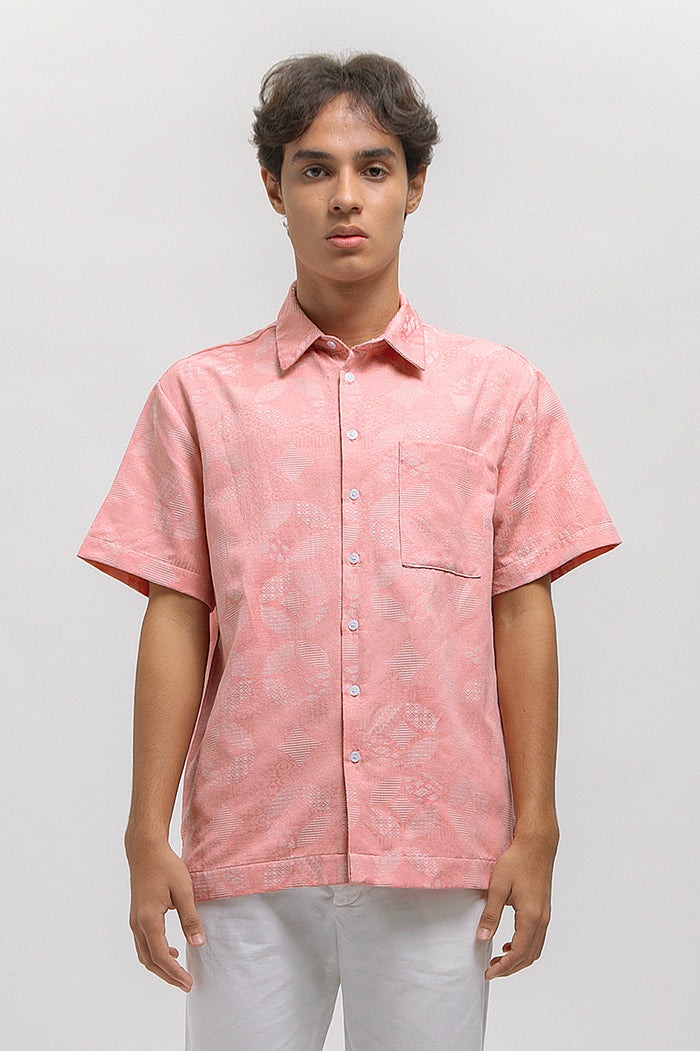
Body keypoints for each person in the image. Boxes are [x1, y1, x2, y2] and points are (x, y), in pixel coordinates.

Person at [77, 52, 621, 1050]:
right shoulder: (200, 397)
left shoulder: (500, 394)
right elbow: (177, 612)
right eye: (314, 169)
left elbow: (520, 607)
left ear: (416, 186)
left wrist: (537, 826)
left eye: (374, 168)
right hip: (250, 849)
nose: (344, 197)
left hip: (438, 851)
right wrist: (144, 832)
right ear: (272, 187)